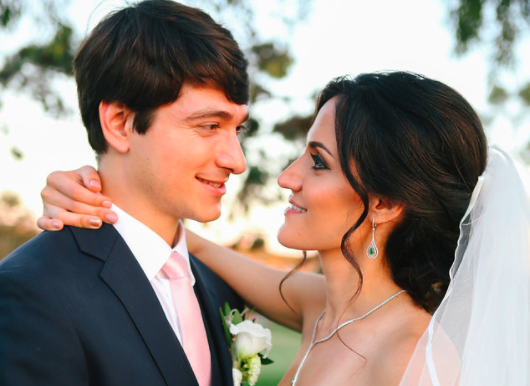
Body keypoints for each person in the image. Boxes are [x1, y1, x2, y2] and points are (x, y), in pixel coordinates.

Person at [38, 72, 530, 385]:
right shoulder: (320, 305)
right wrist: (94, 196)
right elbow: (193, 251)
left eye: (318, 163)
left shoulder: (411, 358)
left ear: (384, 202)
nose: (285, 177)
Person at [0, 1, 250, 385]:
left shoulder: (218, 287)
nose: (237, 160)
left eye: (239, 130)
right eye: (210, 125)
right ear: (119, 124)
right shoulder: (31, 291)